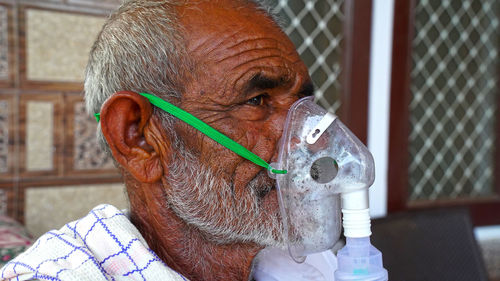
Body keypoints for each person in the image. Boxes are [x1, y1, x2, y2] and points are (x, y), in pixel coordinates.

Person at [1, 0, 333, 280]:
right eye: (257, 101)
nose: (311, 142)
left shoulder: (312, 264)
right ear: (139, 139)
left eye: (304, 107)